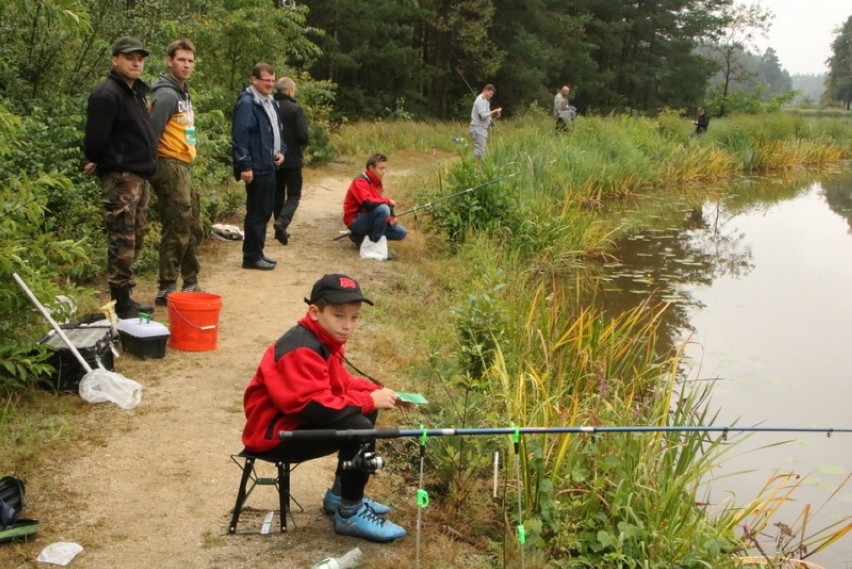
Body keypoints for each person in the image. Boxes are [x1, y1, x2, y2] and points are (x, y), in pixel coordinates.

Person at [240, 273, 411, 542]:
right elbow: (315, 407)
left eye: (354, 317)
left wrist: (379, 392)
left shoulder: (324, 339)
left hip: (292, 421)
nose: (347, 325)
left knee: (365, 411)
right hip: (274, 435)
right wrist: (368, 400)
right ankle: (350, 513)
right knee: (359, 428)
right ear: (315, 312)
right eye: (339, 315)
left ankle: (340, 496)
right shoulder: (302, 348)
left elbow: (340, 383)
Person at [83, 36, 158, 319]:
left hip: (139, 175)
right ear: (115, 60)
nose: (136, 62)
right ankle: (120, 301)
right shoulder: (107, 93)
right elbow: (94, 141)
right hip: (122, 177)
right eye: (130, 57)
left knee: (136, 236)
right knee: (122, 238)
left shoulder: (134, 92)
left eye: (140, 58)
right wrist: (103, 161)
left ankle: (125, 295)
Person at [149, 38, 203, 306]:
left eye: (191, 61)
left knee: (192, 223)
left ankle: (191, 280)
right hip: (168, 164)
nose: (187, 65)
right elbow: (150, 135)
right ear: (169, 60)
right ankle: (167, 287)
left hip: (183, 164)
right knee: (177, 225)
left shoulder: (182, 92)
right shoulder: (166, 95)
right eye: (181, 60)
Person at [231, 62, 286, 271]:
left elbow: (277, 130)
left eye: (273, 81)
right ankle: (251, 256)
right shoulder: (247, 103)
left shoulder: (270, 102)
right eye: (266, 80)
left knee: (265, 210)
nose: (270, 84)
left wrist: (282, 150)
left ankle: (258, 252)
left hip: (270, 163)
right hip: (256, 166)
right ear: (255, 80)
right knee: (256, 211)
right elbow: (240, 136)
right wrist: (244, 165)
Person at [342, 153, 407, 255]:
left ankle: (361, 237)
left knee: (401, 232)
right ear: (371, 168)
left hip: (368, 218)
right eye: (381, 169)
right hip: (355, 221)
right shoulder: (360, 181)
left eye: (385, 168)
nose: (384, 172)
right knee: (384, 209)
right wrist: (387, 201)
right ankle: (373, 244)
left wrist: (390, 219)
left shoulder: (377, 182)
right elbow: (367, 203)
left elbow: (377, 203)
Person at [272, 76, 309, 246]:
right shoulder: (295, 108)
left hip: (273, 158)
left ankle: (280, 228)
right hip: (292, 158)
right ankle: (282, 223)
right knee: (294, 194)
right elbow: (303, 136)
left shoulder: (269, 105)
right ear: (289, 90)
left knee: (277, 193)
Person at [469, 84, 501, 161]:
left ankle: (476, 168)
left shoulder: (485, 101)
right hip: (478, 128)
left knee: (482, 152)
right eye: (491, 94)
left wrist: (494, 114)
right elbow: (482, 116)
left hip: (481, 129)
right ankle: (466, 164)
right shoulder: (481, 100)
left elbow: (486, 115)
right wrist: (493, 111)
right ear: (486, 91)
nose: (491, 96)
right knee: (479, 152)